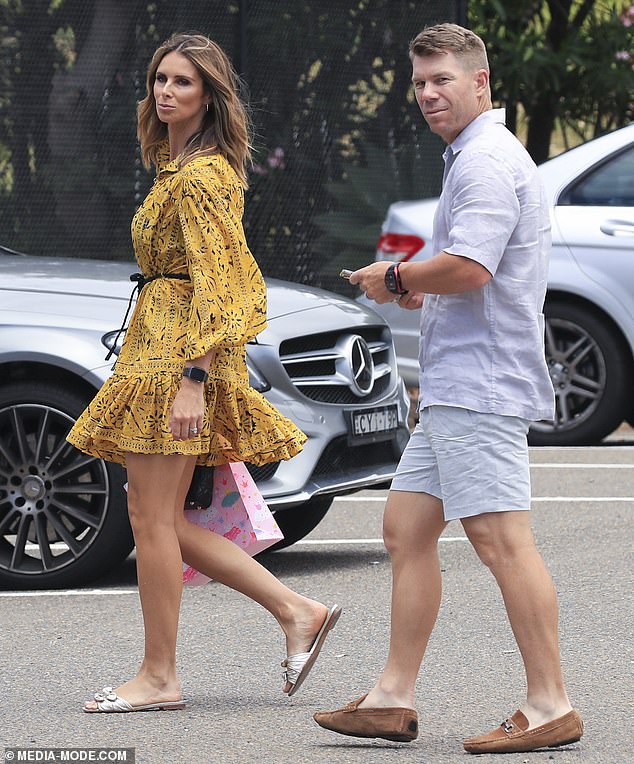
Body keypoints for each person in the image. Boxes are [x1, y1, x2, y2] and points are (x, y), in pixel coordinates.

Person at [313, 23, 582, 754]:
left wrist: (396, 277)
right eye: (421, 82)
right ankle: (391, 697)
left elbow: (471, 267)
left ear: (481, 82)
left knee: (500, 540)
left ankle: (550, 703)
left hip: (482, 382)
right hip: (457, 383)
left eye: (443, 80)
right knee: (405, 528)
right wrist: (415, 291)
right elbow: (464, 271)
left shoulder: (488, 159)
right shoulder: (470, 154)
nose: (429, 93)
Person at [67, 32, 340, 714]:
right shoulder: (180, 168)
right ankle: (296, 610)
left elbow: (226, 283)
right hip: (159, 346)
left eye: (183, 82)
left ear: (208, 96)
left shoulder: (200, 177)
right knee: (150, 516)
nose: (166, 91)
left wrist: (195, 375)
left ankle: (161, 677)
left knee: (152, 519)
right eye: (160, 78)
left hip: (175, 357)